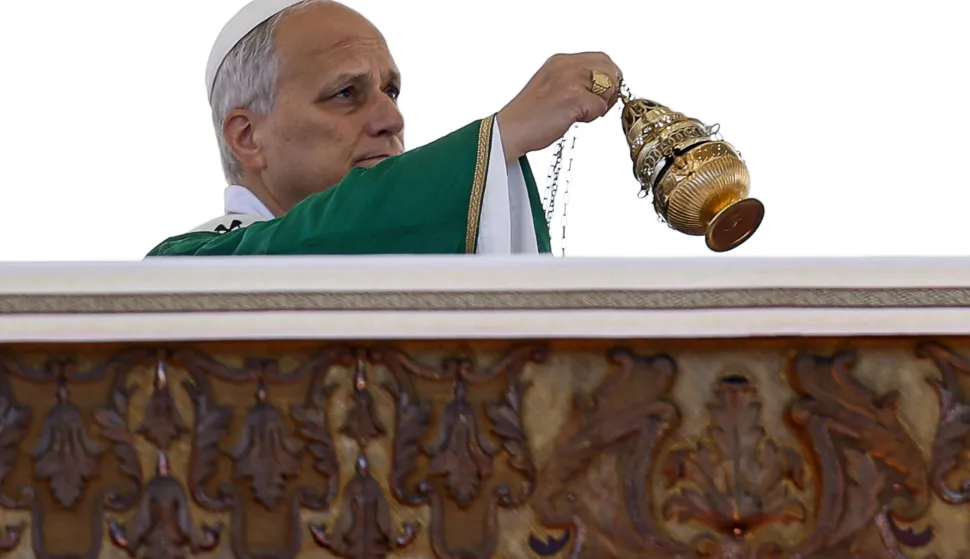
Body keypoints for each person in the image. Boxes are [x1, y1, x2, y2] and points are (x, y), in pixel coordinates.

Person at [147, 0, 622, 257]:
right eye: (345, 94)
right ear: (248, 137)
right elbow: (308, 243)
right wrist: (502, 135)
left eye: (390, 92)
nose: (391, 121)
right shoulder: (187, 271)